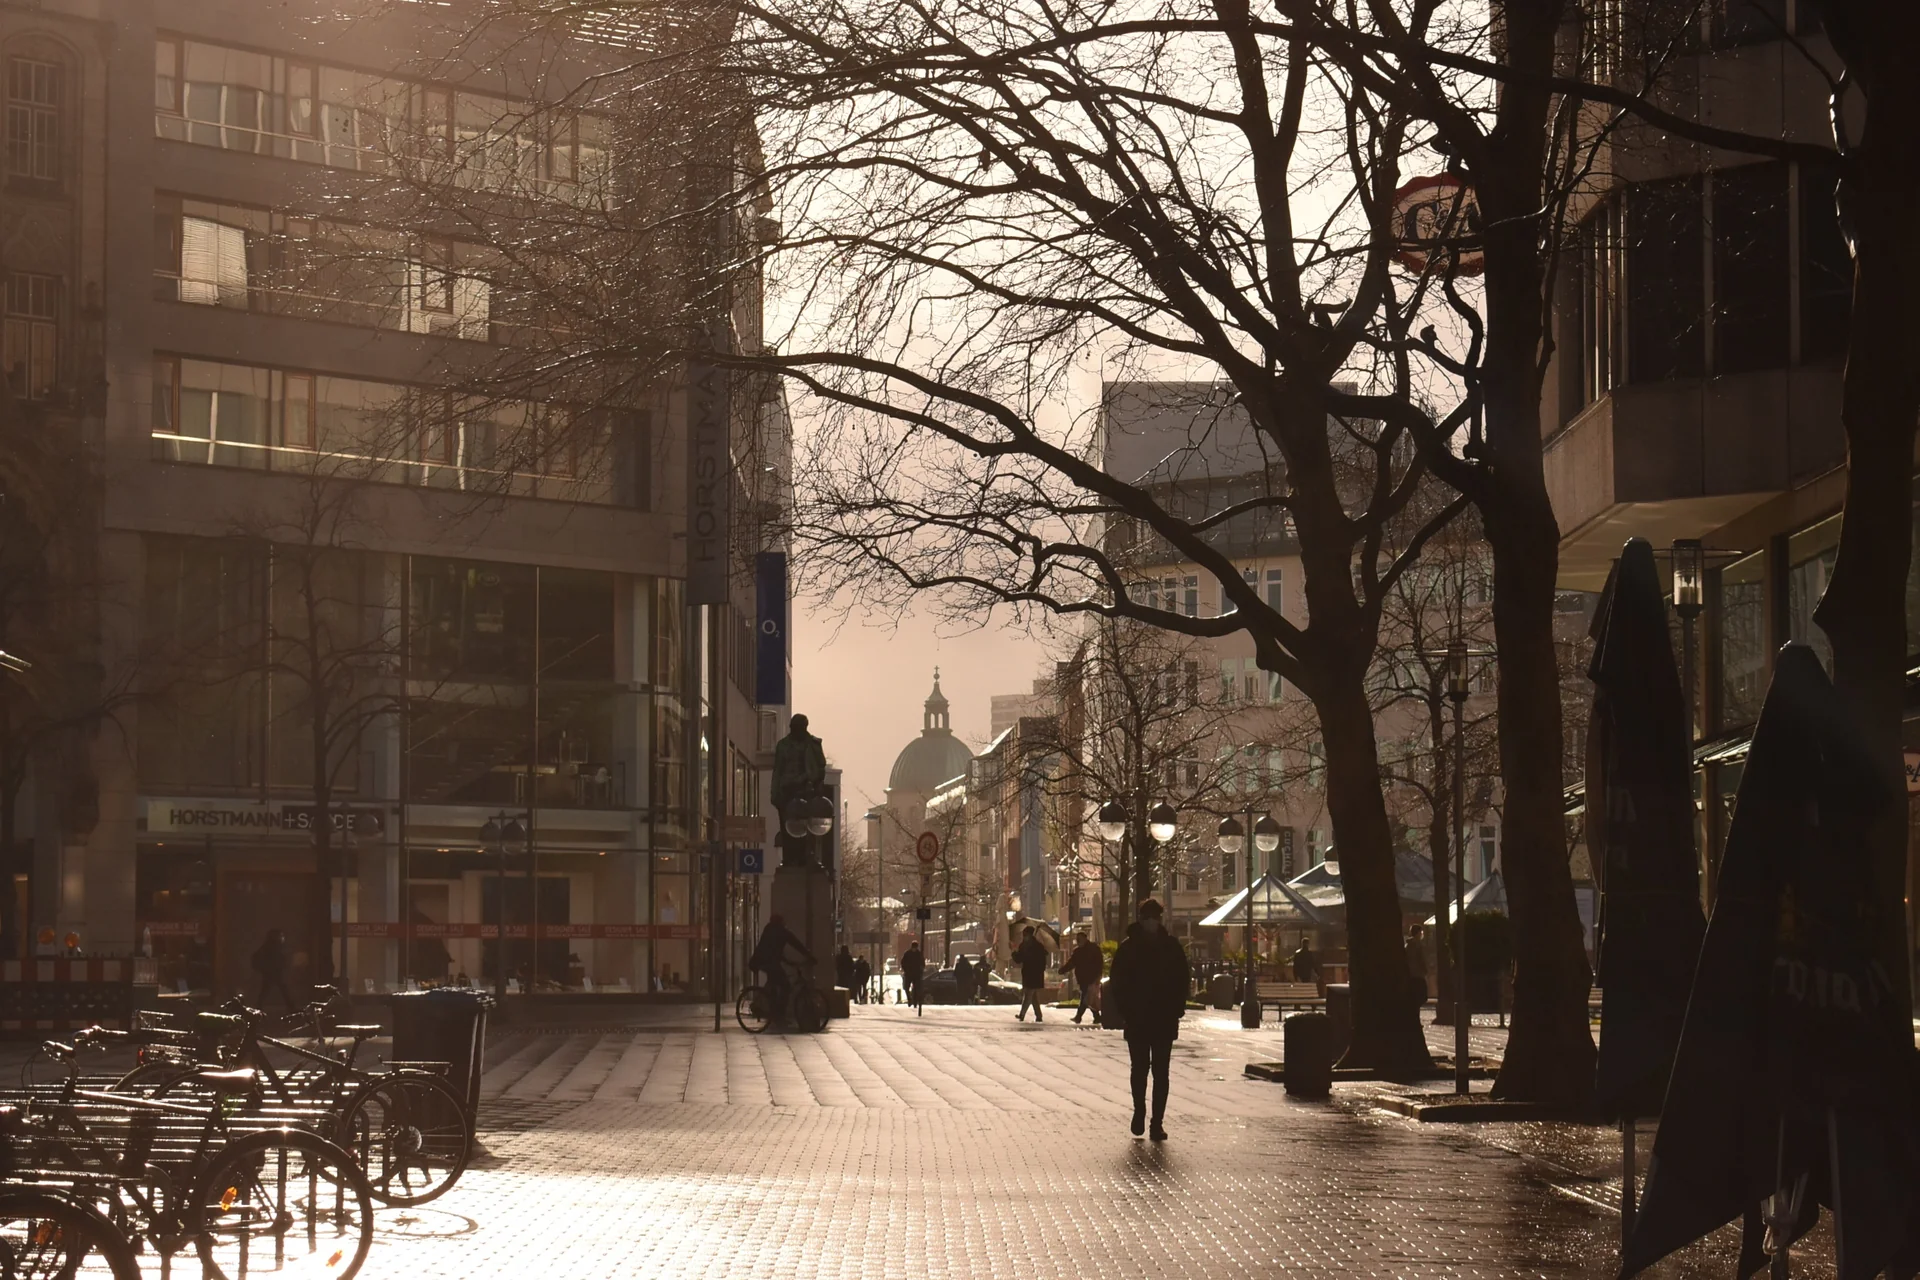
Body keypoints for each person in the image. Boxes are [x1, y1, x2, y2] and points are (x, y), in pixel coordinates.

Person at [1107, 899, 1189, 1140]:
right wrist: (1126, 1011)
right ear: (1142, 919)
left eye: (1154, 916)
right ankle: (1142, 1112)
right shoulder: (1132, 947)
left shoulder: (1168, 947)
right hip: (1142, 1017)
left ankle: (1154, 1121)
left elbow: (1181, 980)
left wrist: (1177, 1008)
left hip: (1158, 1018)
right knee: (1146, 1069)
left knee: (1155, 1071)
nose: (1152, 921)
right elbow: (1117, 982)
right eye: (1148, 916)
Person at [750, 913, 814, 1019]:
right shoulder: (782, 932)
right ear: (780, 922)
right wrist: (809, 956)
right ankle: (778, 1012)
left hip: (762, 961)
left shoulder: (769, 929)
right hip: (768, 962)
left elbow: (773, 950)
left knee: (774, 983)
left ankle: (769, 1007)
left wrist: (788, 961)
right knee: (786, 986)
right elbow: (796, 943)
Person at [1061, 931, 1105, 1025]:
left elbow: (1099, 963)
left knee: (1085, 998)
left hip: (1091, 977)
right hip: (1083, 978)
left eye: (1079, 939)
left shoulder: (1093, 949)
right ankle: (1096, 1017)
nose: (1077, 941)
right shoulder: (1078, 951)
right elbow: (1072, 963)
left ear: (1085, 938)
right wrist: (1063, 970)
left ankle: (1079, 1017)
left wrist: (1098, 975)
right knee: (1088, 998)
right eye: (1077, 940)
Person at [250, 928, 294, 1011]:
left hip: (273, 972)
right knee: (277, 989)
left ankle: (259, 1006)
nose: (282, 938)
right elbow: (275, 958)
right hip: (272, 972)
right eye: (280, 936)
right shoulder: (271, 946)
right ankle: (290, 1006)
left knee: (269, 990)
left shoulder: (272, 946)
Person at [1014, 926, 1049, 1022]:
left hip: (1034, 974)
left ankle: (1022, 1015)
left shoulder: (1036, 946)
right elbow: (1018, 959)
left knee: (1028, 995)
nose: (1024, 936)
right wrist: (1014, 952)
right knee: (1033, 997)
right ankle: (1039, 1015)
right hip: (1028, 973)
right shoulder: (1025, 945)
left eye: (1025, 935)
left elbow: (1042, 961)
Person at [1405, 925, 1430, 1009]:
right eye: (1421, 932)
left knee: (1415, 997)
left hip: (1411, 975)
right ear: (1418, 933)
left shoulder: (1408, 945)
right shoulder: (1417, 945)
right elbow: (1421, 959)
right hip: (1418, 975)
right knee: (1421, 996)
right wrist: (1425, 970)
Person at [901, 941, 925, 1008]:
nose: (914, 949)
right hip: (908, 973)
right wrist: (905, 969)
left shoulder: (919, 954)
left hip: (916, 974)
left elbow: (922, 963)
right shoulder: (907, 953)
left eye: (915, 948)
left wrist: (921, 970)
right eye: (913, 948)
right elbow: (903, 962)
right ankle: (909, 999)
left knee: (916, 988)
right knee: (906, 987)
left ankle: (914, 1002)